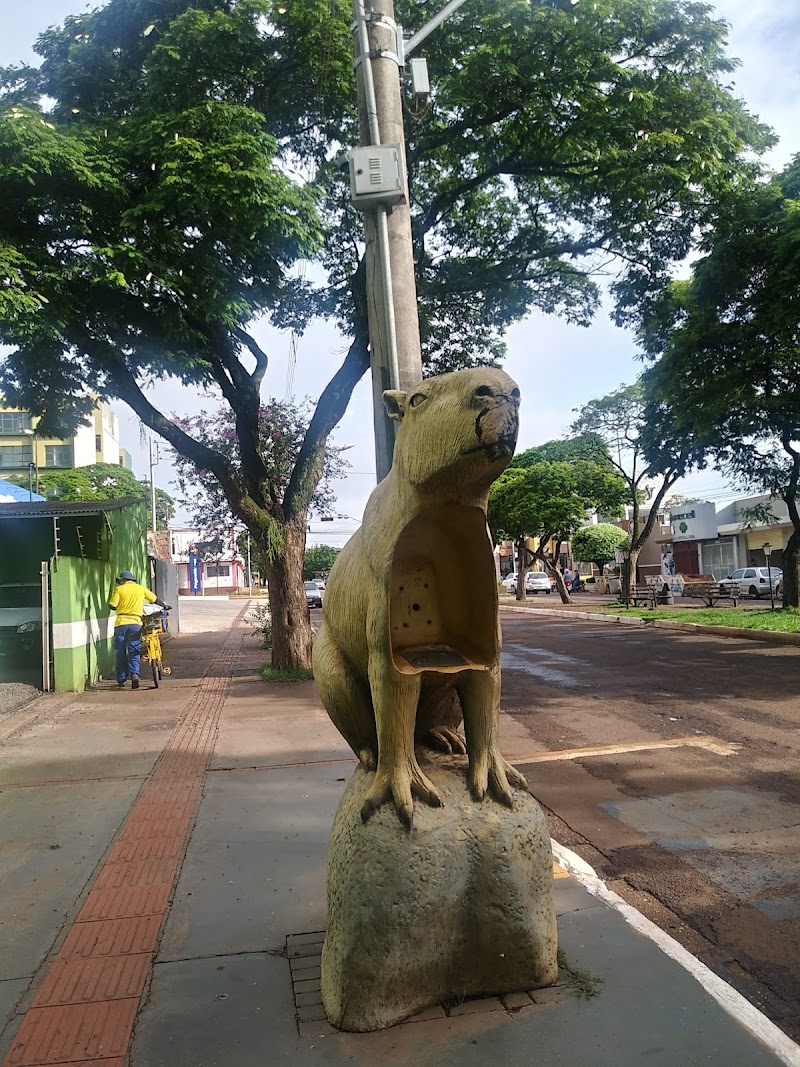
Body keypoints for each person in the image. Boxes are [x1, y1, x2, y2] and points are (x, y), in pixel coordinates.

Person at [108, 571, 168, 689]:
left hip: (121, 623)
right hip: (136, 623)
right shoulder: (140, 589)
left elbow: (112, 605)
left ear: (122, 580)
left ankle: (121, 679)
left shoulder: (119, 589)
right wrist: (164, 606)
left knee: (120, 652)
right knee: (134, 650)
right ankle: (135, 674)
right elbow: (154, 599)